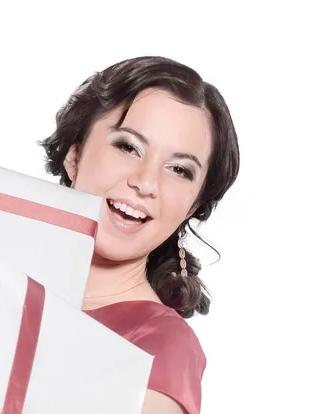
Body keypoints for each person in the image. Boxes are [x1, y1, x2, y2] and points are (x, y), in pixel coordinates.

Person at [40, 56, 240, 414]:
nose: (146, 183)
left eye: (179, 169)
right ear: (75, 154)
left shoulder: (161, 348)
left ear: (193, 206)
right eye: (128, 147)